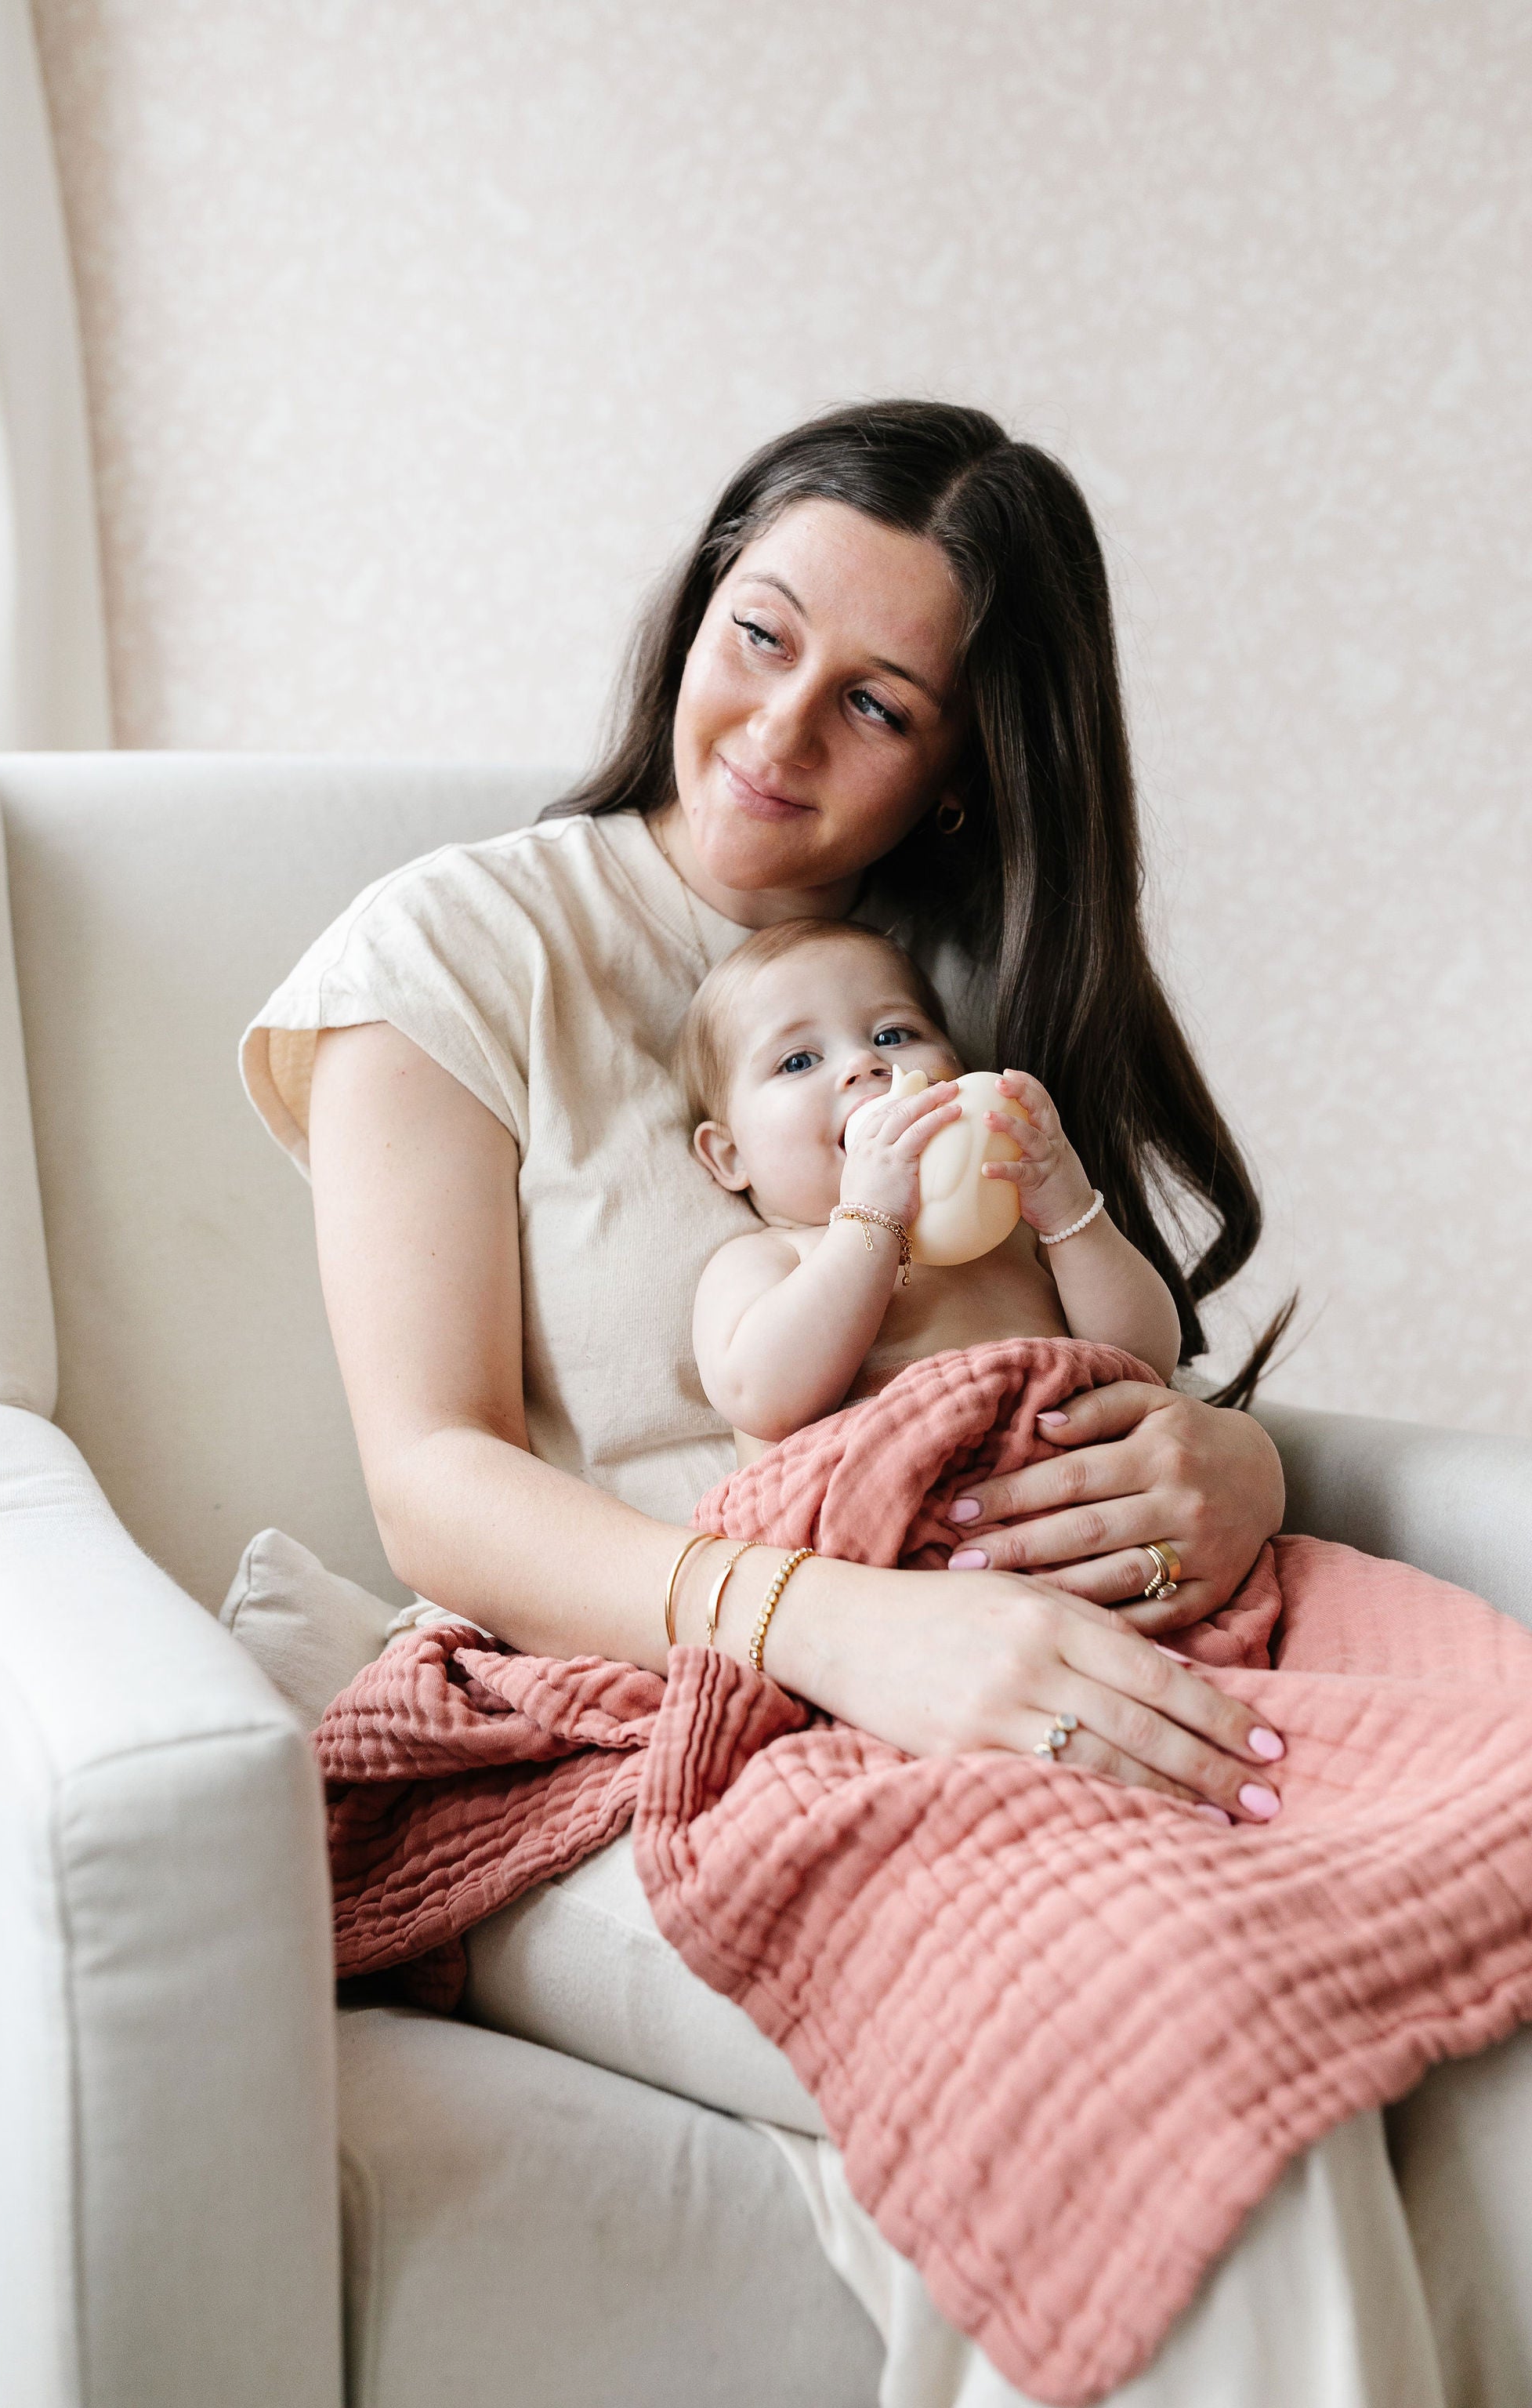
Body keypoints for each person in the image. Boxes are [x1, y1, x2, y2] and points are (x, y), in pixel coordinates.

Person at [243, 399, 1530, 2405]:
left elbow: (1090, 1351)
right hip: (631, 1734)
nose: (774, 730)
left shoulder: (952, 984)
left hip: (1030, 1659)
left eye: (874, 703)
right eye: (755, 636)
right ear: (693, 604)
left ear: (960, 765)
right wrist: (850, 1626)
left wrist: (1229, 1458)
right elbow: (433, 1481)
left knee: (1456, 2003)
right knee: (1157, 2038)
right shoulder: (451, 950)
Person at [682, 916, 1183, 1449]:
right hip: (875, 1495)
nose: (864, 1063)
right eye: (799, 1061)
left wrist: (1071, 1213)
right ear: (730, 1156)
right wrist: (869, 1219)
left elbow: (1146, 1360)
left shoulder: (1015, 1232)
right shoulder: (769, 1259)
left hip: (1055, 1484)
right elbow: (763, 1399)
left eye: (893, 1035)